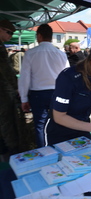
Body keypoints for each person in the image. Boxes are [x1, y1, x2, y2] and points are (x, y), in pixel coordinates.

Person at [18, 24, 70, 148]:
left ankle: (45, 153)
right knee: (59, 123)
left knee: (40, 126)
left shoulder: (30, 53)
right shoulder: (61, 54)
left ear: (39, 36)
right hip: (57, 93)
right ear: (51, 37)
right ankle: (58, 149)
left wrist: (24, 99)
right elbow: (67, 76)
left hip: (38, 94)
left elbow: (25, 78)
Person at [0, 20, 33, 160]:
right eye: (8, 32)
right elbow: (6, 71)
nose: (10, 35)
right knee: (7, 123)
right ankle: (8, 151)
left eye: (12, 33)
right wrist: (16, 87)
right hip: (3, 93)